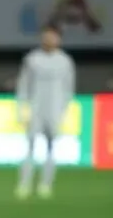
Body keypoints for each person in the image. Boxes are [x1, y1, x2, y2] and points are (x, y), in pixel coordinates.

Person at [15, 24, 75, 200]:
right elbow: (24, 85)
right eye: (47, 36)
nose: (49, 40)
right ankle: (24, 184)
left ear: (59, 39)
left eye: (53, 37)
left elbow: (68, 88)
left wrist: (64, 110)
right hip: (36, 108)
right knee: (30, 147)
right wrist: (21, 108)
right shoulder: (32, 59)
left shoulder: (65, 61)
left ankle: (45, 184)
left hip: (54, 110)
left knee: (51, 148)